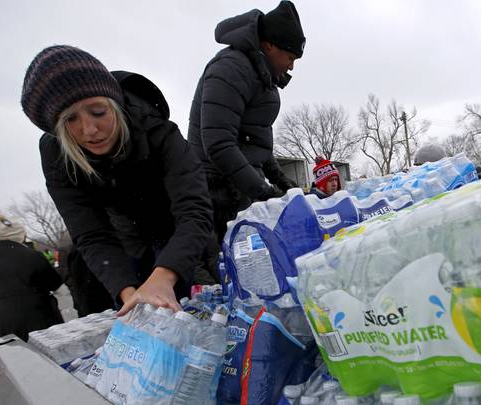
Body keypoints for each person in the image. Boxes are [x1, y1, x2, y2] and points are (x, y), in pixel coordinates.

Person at [20, 45, 214, 316]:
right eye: (70, 120)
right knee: (130, 305)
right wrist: (127, 293)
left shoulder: (158, 131)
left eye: (98, 112)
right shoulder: (56, 155)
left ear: (115, 104)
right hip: (126, 237)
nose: (90, 129)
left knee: (200, 302)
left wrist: (165, 275)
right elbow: (90, 233)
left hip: (180, 231)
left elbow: (194, 211)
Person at [187, 1, 304, 255]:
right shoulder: (231, 68)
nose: (292, 66)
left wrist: (279, 178)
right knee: (225, 271)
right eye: (291, 57)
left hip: (238, 188)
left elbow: (252, 140)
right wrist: (264, 192)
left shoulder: (262, 74)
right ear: (270, 45)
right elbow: (219, 143)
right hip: (215, 192)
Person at [0, 215, 64, 354]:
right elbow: (54, 283)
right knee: (44, 364)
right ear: (19, 234)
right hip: (35, 319)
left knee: (9, 365)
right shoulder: (32, 256)